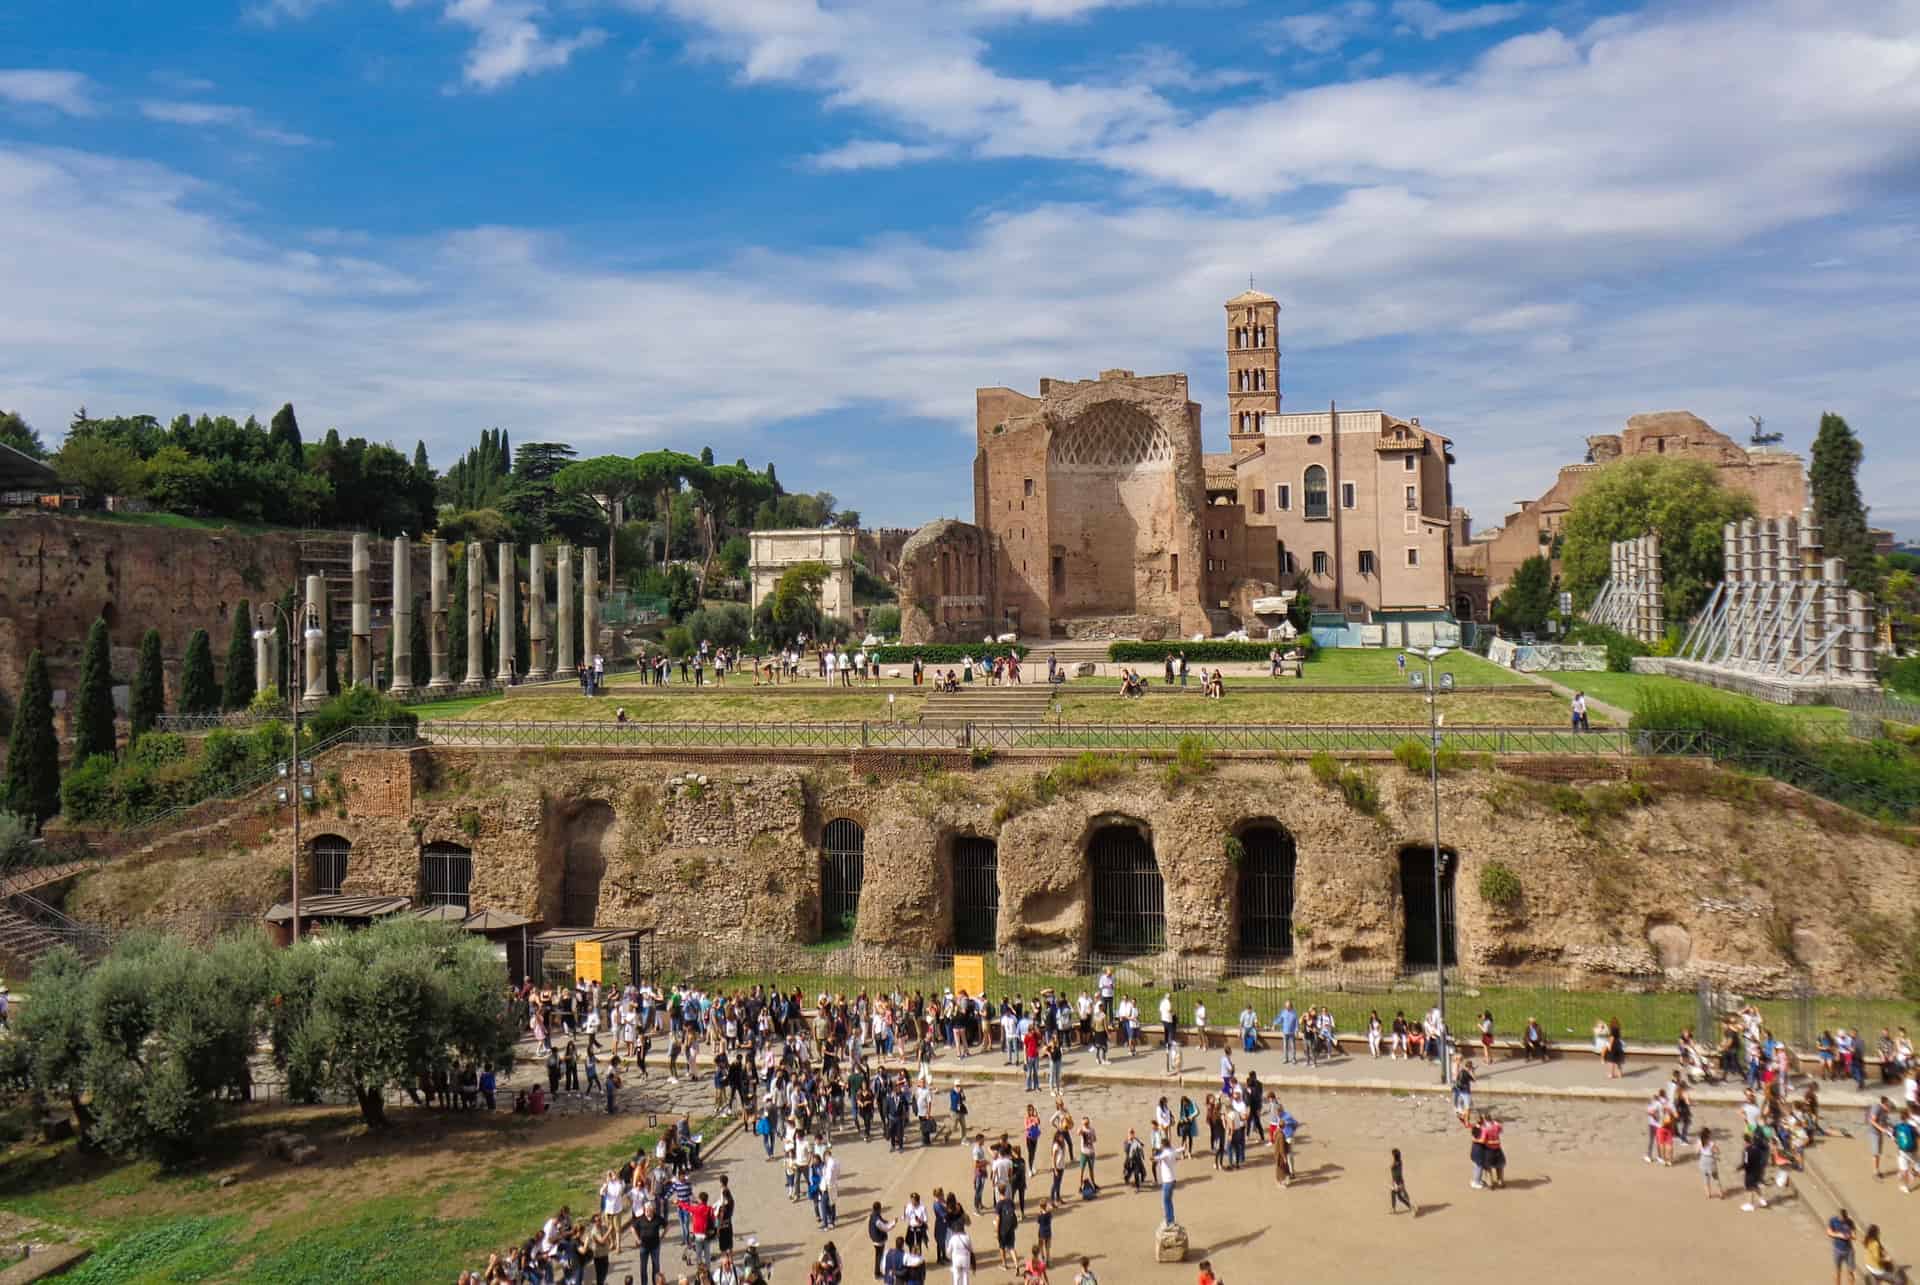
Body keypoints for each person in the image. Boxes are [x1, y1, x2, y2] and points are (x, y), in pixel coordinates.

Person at [1155, 1139, 1179, 1227]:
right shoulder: (1172, 1151)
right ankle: (1171, 1219)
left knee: (1166, 1201)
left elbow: (1157, 1158)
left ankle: (1169, 1221)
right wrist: (1184, 1148)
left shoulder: (1165, 1153)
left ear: (1163, 1145)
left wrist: (1153, 1156)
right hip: (1172, 1180)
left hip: (1167, 1181)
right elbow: (1178, 1150)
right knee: (1169, 1201)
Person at [1831, 1208, 1858, 1285]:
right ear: (1838, 1216)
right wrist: (1838, 1235)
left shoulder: (1850, 1222)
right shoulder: (1833, 1220)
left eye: (1844, 1218)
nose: (1843, 1220)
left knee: (1850, 1271)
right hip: (1837, 1250)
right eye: (1841, 1218)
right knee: (1837, 1271)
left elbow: (1854, 1236)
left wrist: (1849, 1236)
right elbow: (1829, 1231)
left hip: (1849, 1250)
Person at [1699, 1127, 1723, 1200]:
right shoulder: (1711, 1143)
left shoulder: (1700, 1142)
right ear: (1708, 1135)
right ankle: (1720, 1193)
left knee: (1706, 1178)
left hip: (1703, 1160)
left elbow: (1697, 1150)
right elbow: (1718, 1151)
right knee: (1716, 1178)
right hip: (1711, 1160)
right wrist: (1716, 1156)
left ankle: (1708, 1194)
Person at [1389, 1148, 1412, 1213]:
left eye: (1392, 1154)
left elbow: (1396, 1175)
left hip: (1397, 1182)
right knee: (1398, 1197)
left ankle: (1409, 1206)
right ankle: (1409, 1206)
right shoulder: (1399, 1162)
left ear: (1394, 1156)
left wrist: (1397, 1184)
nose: (1392, 1155)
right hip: (1398, 1181)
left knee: (1395, 1195)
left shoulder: (1396, 1164)